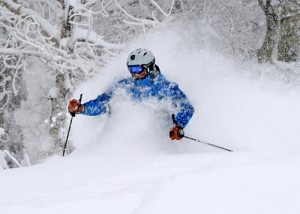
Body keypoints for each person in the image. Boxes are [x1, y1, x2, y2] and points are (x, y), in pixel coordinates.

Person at [68, 48, 194, 140]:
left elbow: (186, 107)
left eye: (137, 69)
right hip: (122, 143)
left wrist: (178, 125)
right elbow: (103, 104)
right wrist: (82, 108)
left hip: (155, 144)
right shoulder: (125, 85)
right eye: (131, 69)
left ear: (149, 67)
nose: (134, 74)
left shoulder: (166, 88)